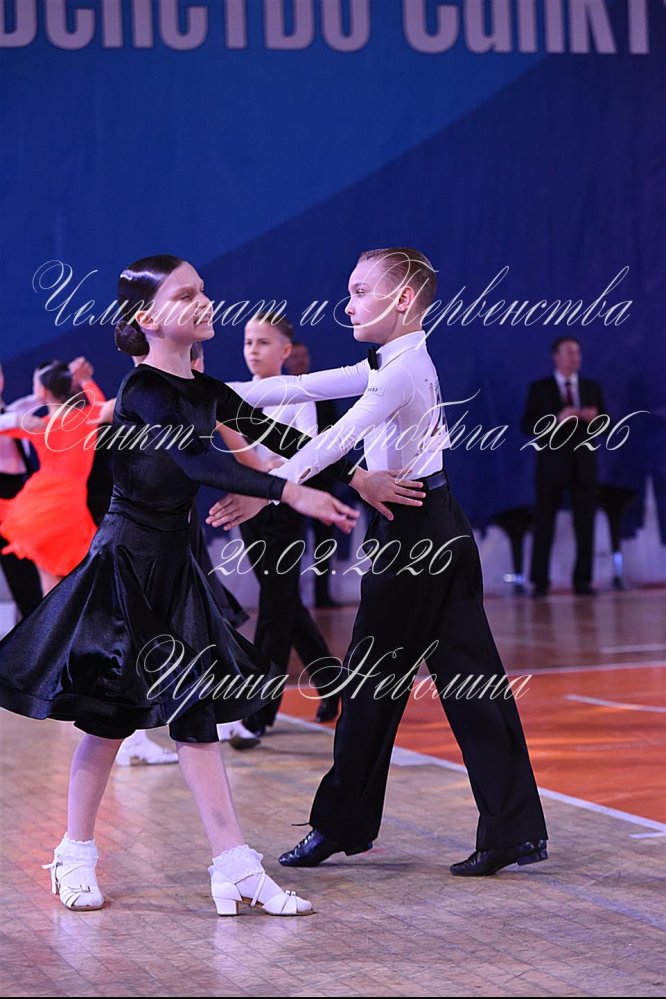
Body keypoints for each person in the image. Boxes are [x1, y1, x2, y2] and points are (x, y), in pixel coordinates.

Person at [0, 254, 372, 917]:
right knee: (110, 718)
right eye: (186, 294)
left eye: (203, 290)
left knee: (196, 717)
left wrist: (358, 477)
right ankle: (73, 851)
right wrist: (290, 493)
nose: (204, 302)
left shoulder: (206, 391)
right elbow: (197, 462)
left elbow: (275, 434)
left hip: (178, 567)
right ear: (148, 318)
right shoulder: (142, 390)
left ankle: (235, 866)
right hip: (127, 569)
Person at [209, 247, 549, 877]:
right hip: (437, 524)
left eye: (360, 291)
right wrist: (205, 392)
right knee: (472, 682)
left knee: (370, 686)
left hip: (414, 540)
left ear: (402, 299)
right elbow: (302, 386)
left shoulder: (399, 371)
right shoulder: (392, 360)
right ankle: (514, 830)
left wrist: (269, 488)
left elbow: (333, 441)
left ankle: (342, 825)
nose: (347, 305)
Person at [226, 313, 343, 735]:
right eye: (248, 342)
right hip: (249, 509)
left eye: (262, 342)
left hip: (285, 510)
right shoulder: (236, 395)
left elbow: (307, 452)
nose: (253, 350)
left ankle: (258, 713)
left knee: (275, 613)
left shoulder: (298, 393)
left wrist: (272, 469)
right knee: (285, 605)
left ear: (285, 350)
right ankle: (333, 681)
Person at [0, 358, 105, 595]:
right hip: (68, 506)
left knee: (51, 580)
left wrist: (15, 419)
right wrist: (86, 380)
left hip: (40, 507)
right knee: (79, 577)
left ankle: (54, 618)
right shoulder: (88, 417)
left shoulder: (40, 425)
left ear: (43, 391)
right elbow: (99, 402)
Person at [521, 337, 607, 598]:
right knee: (544, 524)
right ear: (556, 357)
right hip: (551, 467)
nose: (574, 358)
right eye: (569, 353)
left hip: (584, 465)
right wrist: (557, 419)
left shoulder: (591, 387)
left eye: (577, 353)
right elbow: (527, 426)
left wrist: (595, 419)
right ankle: (540, 581)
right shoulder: (541, 389)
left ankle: (583, 580)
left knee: (585, 525)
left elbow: (607, 424)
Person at [284, 341, 343, 611]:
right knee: (291, 538)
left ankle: (322, 594)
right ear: (287, 359)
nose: (300, 360)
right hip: (292, 478)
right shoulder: (280, 392)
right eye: (295, 356)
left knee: (324, 538)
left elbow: (334, 434)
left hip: (321, 476)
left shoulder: (322, 393)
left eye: (304, 355)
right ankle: (290, 597)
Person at [0, 363, 43, 619]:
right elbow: (8, 421)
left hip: (23, 491)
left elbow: (34, 400)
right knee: (17, 567)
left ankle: (36, 623)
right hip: (2, 497)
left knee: (29, 565)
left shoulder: (13, 409)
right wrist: (19, 420)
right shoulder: (11, 417)